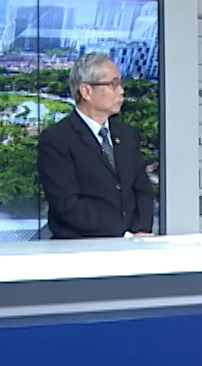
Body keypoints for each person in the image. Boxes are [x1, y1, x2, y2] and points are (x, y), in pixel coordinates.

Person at [37, 52, 156, 239]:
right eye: (113, 84)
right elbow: (68, 205)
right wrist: (123, 234)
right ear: (86, 91)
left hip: (132, 245)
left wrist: (140, 231)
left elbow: (142, 190)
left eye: (120, 83)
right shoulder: (56, 140)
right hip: (81, 247)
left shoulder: (126, 134)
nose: (121, 91)